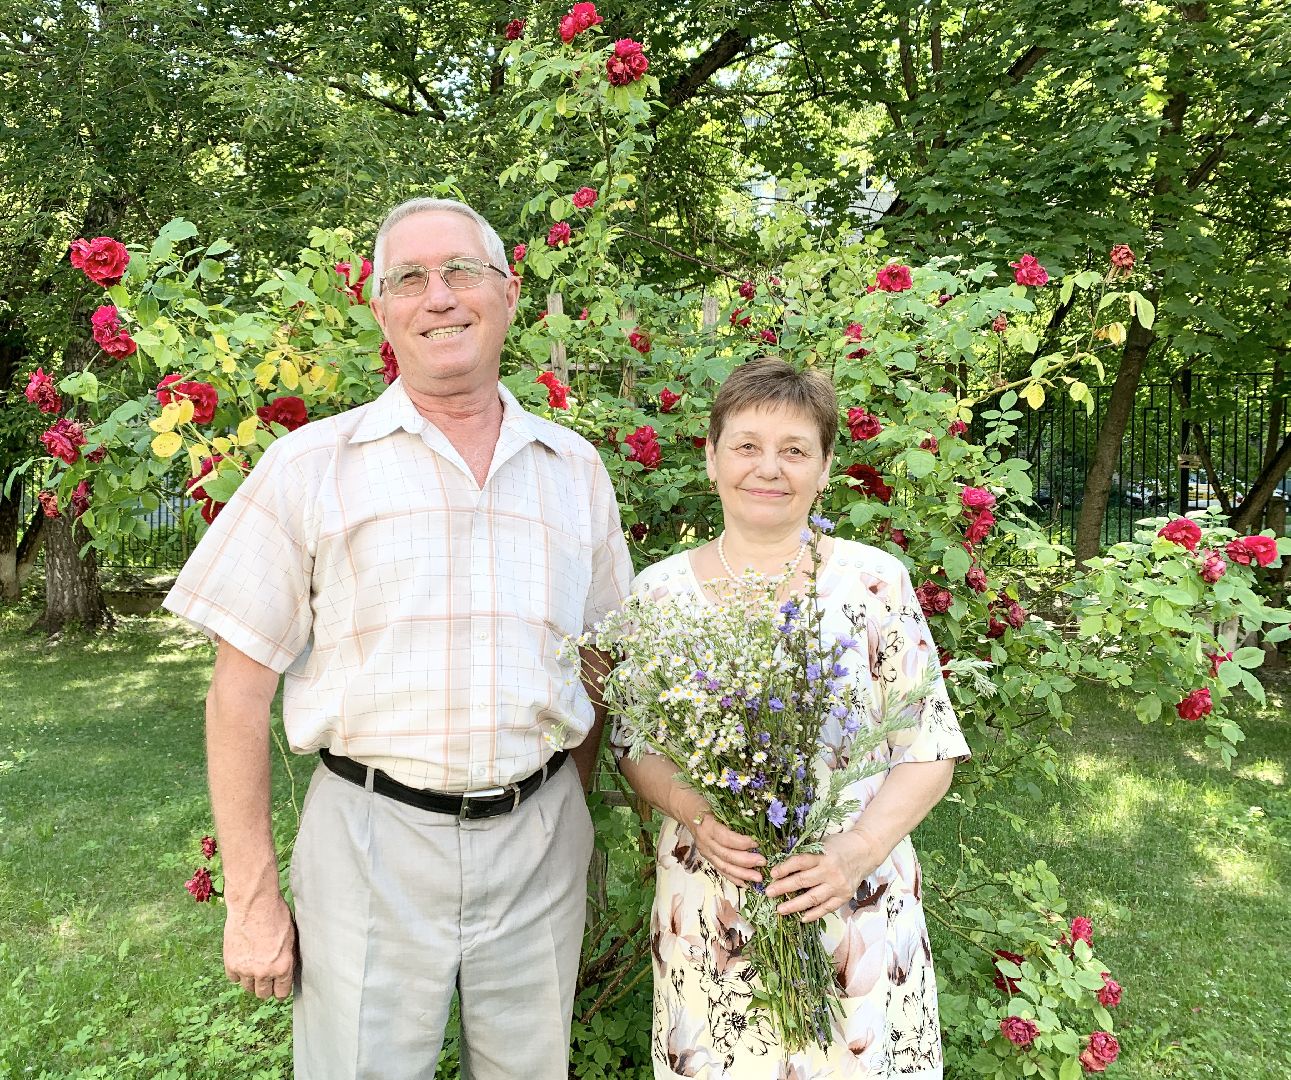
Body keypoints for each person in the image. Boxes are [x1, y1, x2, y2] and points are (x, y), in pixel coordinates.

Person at [164, 197, 632, 1079]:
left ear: (507, 291)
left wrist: (558, 808)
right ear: (380, 309)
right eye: (409, 279)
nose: (438, 296)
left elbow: (600, 664)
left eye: (461, 271)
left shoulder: (574, 470)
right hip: (369, 839)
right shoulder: (312, 465)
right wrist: (253, 900)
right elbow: (237, 695)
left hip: (540, 842)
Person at [613, 358, 970, 1079]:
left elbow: (929, 743)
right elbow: (633, 743)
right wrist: (697, 815)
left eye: (793, 449)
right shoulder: (658, 595)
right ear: (710, 459)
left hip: (853, 907)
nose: (767, 468)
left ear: (824, 466)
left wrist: (857, 852)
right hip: (711, 909)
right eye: (745, 445)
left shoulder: (872, 582)